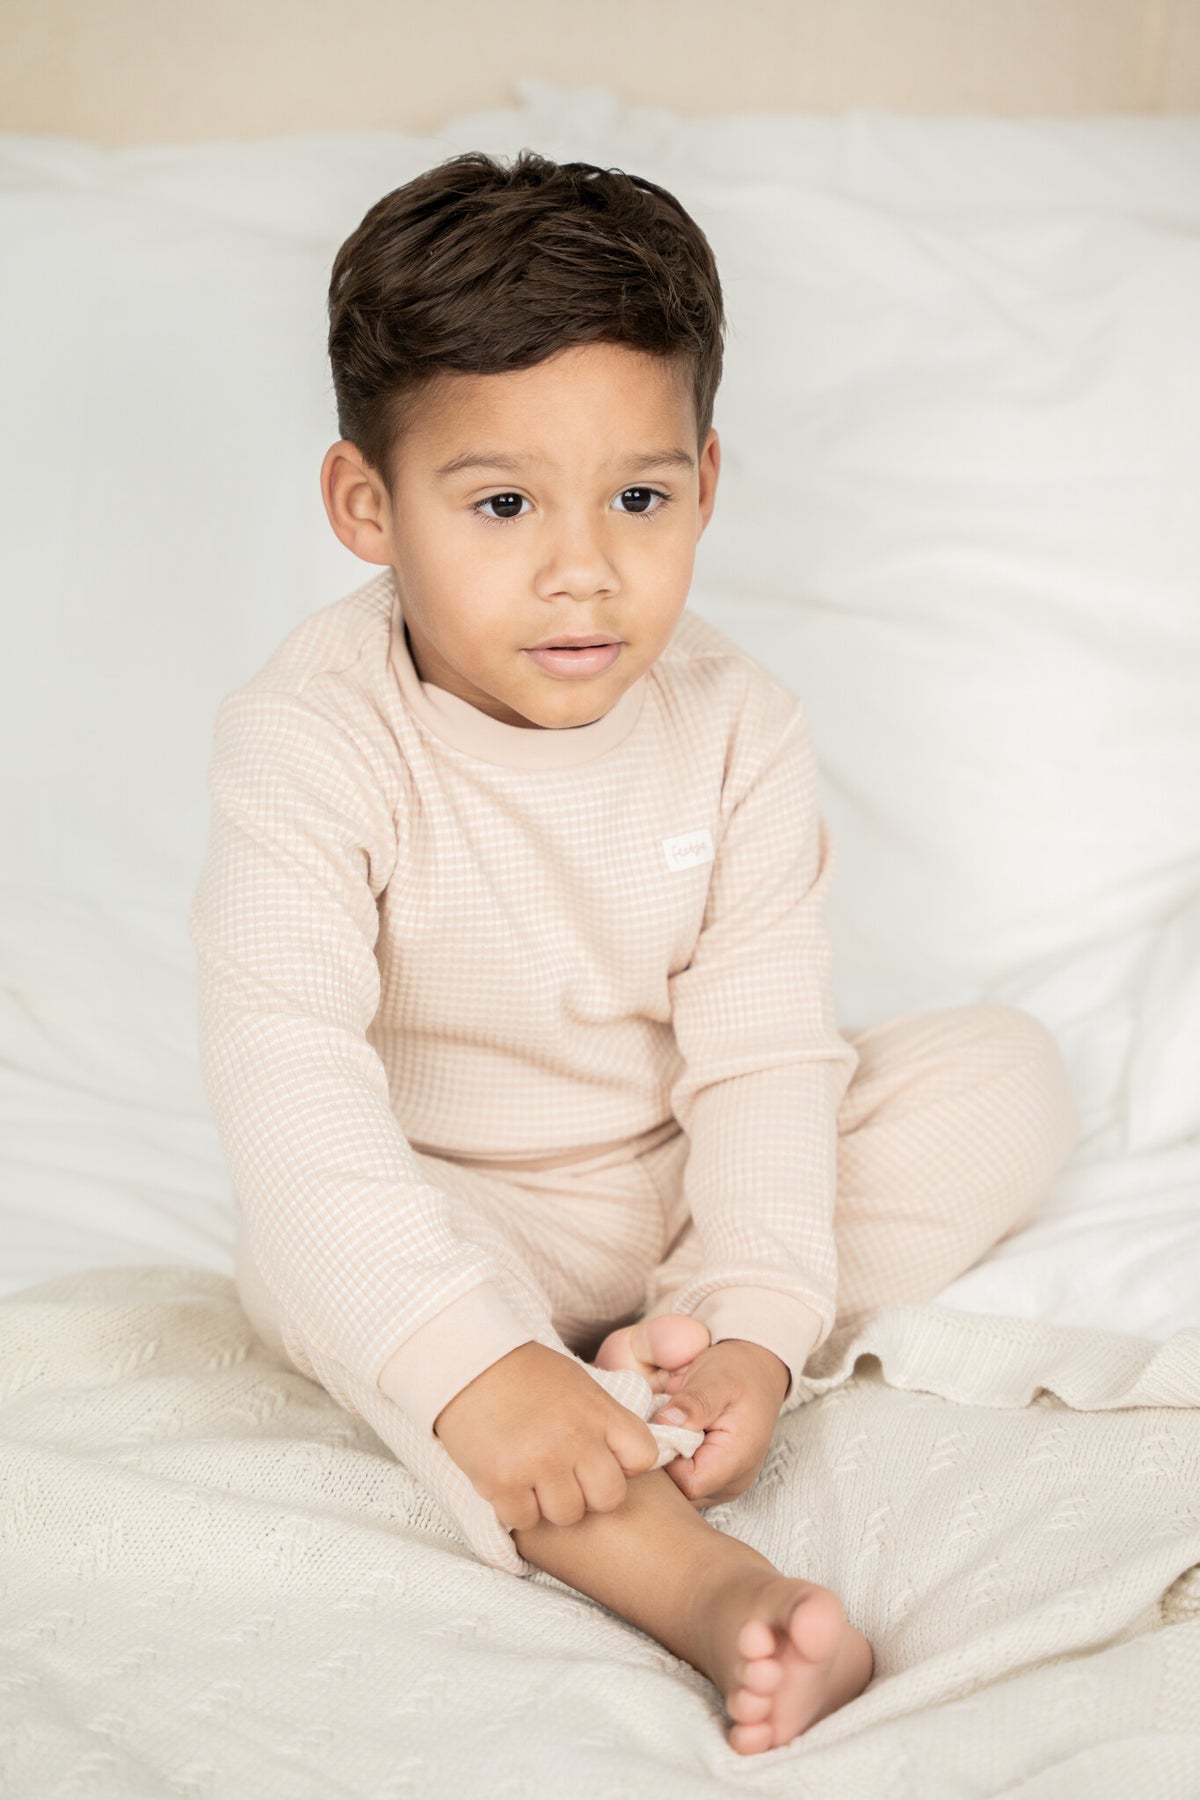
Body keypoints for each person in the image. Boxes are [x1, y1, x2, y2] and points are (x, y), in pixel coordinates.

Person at [189, 149, 1080, 1755]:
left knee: (1001, 1080)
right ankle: (713, 1591)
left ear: (706, 483)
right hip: (447, 1196)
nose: (583, 569)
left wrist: (752, 1320)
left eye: (640, 499)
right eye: (503, 504)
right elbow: (288, 1073)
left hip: (664, 1174)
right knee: (334, 1265)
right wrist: (476, 1359)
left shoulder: (739, 726)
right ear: (367, 507)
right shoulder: (310, 739)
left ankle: (666, 1356)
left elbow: (763, 1056)